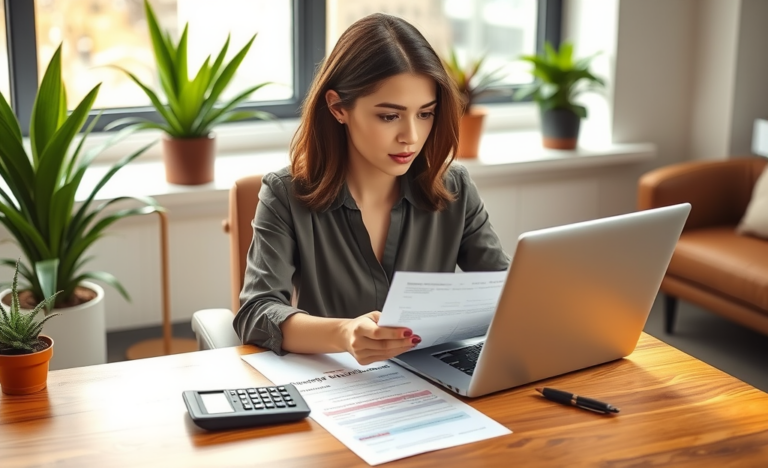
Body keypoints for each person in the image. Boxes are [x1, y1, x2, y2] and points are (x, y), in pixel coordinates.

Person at [234, 13, 510, 365]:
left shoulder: (453, 186)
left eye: (425, 114)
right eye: (389, 116)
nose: (410, 136)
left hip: (434, 383)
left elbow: (505, 291)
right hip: (337, 386)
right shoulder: (285, 194)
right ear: (338, 108)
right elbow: (256, 313)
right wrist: (344, 334)